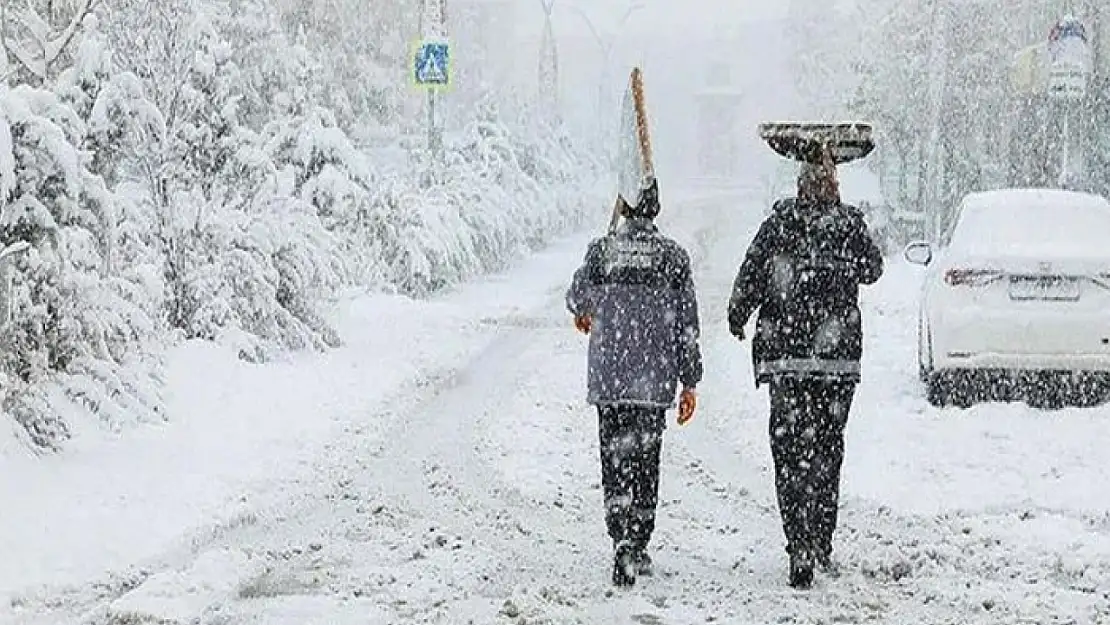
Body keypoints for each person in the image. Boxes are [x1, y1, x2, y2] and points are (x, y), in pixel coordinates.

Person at [726, 153, 883, 589]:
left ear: (799, 186)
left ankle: (798, 541)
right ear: (833, 186)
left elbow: (752, 274)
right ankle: (820, 537)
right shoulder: (848, 226)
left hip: (787, 361)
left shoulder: (778, 226)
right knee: (828, 451)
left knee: (789, 452)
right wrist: (848, 230)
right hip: (836, 366)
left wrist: (738, 314)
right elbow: (873, 268)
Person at [566, 178, 703, 588]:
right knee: (646, 459)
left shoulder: (602, 251)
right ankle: (639, 539)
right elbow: (687, 325)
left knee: (614, 458)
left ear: (623, 208)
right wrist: (690, 380)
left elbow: (576, 297)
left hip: (610, 377)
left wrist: (588, 305)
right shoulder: (673, 257)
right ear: (657, 209)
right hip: (653, 381)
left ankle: (619, 535)